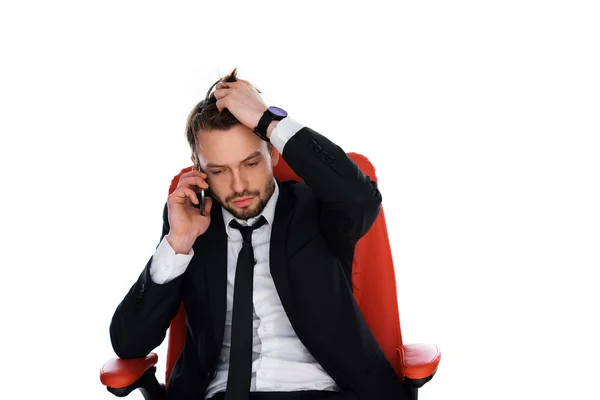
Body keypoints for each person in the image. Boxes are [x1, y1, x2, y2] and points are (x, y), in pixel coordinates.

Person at [110, 68, 408, 400]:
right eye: (219, 171)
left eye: (251, 164)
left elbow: (361, 198)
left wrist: (269, 121)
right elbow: (128, 344)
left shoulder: (317, 207)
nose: (238, 187)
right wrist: (177, 245)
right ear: (197, 168)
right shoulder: (190, 223)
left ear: (273, 152)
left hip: (321, 392)